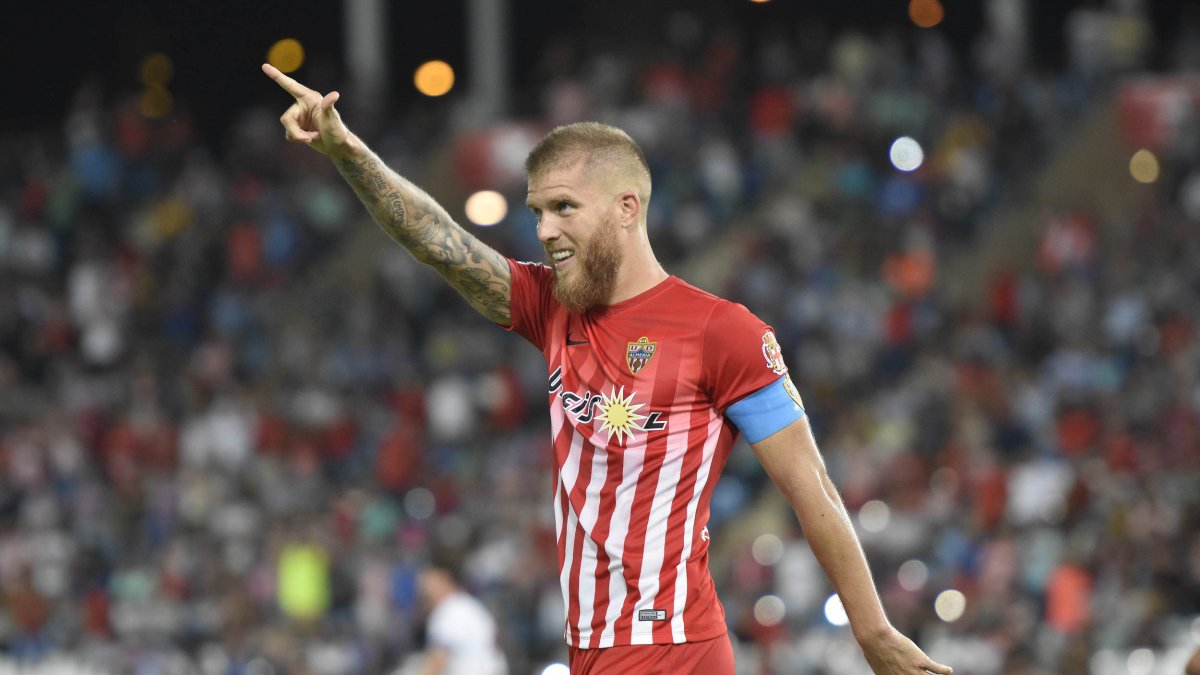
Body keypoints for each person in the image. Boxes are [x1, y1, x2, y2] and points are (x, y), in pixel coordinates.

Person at [263, 63, 953, 675]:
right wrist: (347, 151)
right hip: (590, 653)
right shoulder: (551, 308)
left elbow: (814, 488)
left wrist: (873, 630)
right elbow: (439, 242)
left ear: (627, 208)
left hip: (675, 651)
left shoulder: (724, 332)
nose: (544, 229)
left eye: (564, 207)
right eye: (537, 211)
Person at [415, 566, 508, 675]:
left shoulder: (445, 613)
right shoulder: (470, 604)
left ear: (445, 581)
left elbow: (438, 661)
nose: (425, 592)